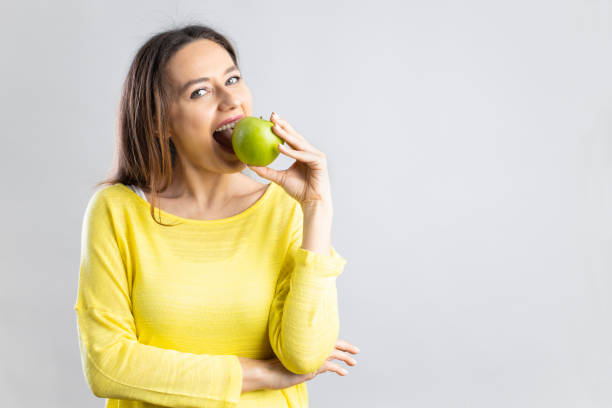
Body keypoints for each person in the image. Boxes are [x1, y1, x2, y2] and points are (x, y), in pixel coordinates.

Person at [73, 24, 359, 408]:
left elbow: (305, 355)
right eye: (200, 91)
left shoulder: (284, 208)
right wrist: (260, 374)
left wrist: (317, 208)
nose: (231, 101)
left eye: (233, 79)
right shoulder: (117, 212)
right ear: (161, 123)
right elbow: (106, 365)